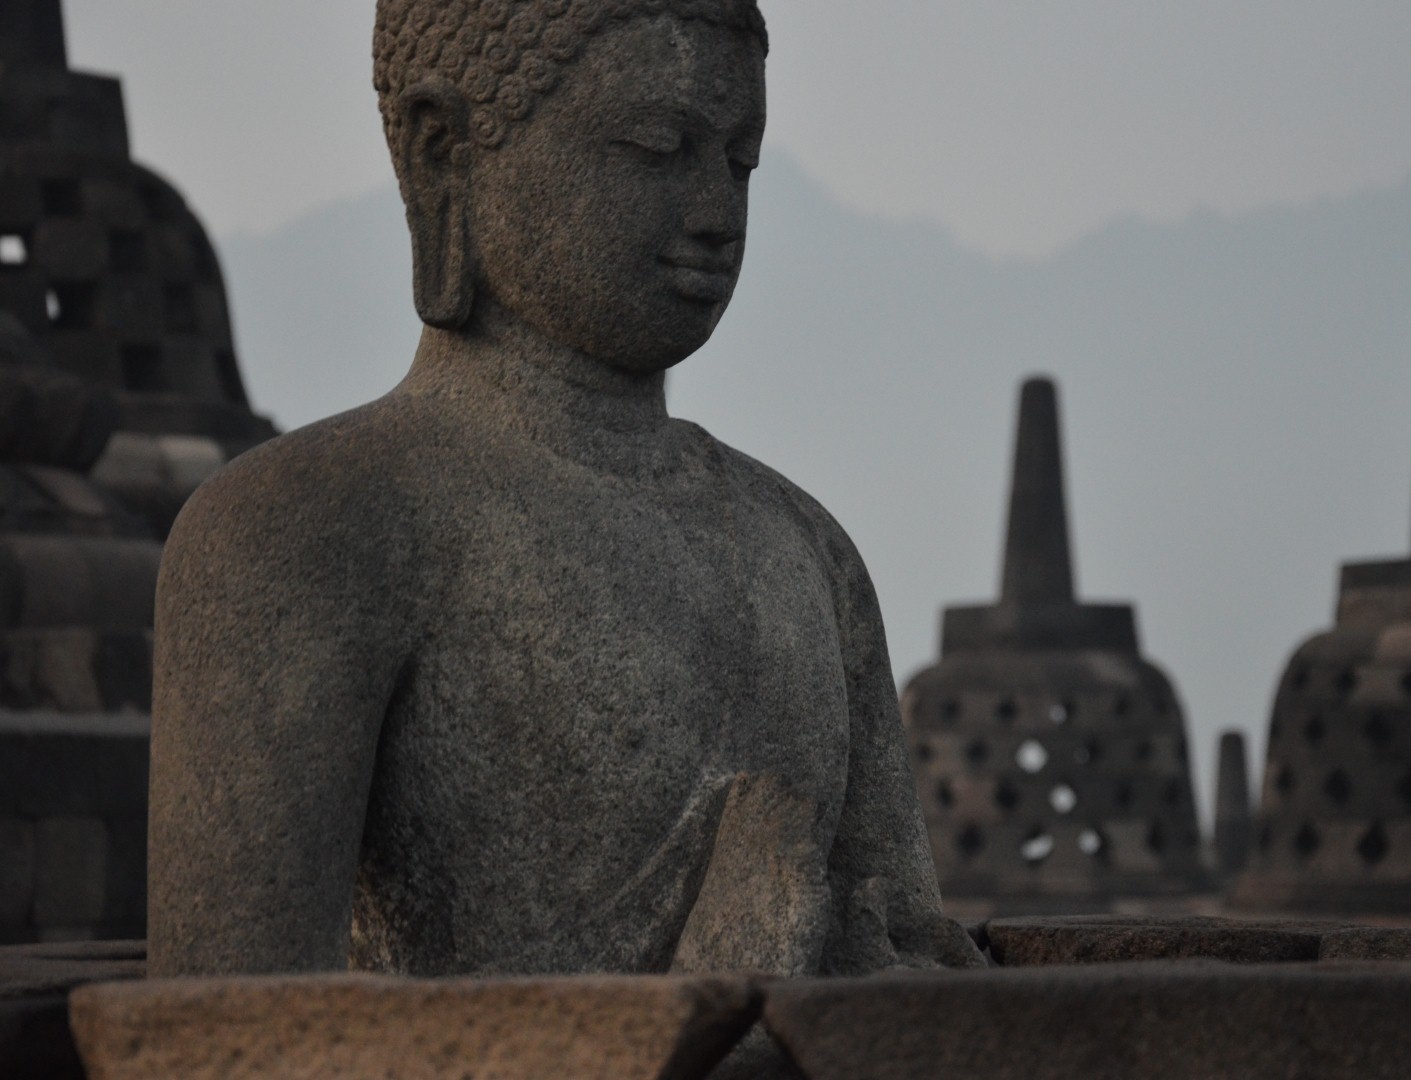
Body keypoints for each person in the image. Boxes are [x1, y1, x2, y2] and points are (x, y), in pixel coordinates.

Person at [148, 0, 981, 983]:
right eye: (655, 148)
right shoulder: (308, 530)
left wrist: (865, 973)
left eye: (740, 161)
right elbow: (226, 1033)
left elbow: (917, 963)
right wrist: (718, 995)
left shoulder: (806, 550)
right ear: (443, 152)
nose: (715, 214)